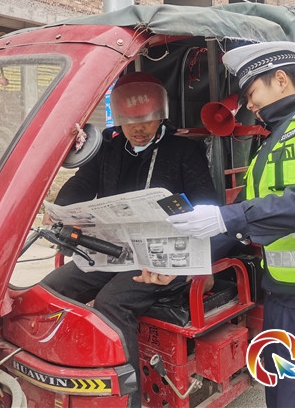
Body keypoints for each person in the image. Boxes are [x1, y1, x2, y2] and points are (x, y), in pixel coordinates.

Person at [166, 41, 295, 408]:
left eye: (251, 93)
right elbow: (242, 215)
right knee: (279, 395)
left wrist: (226, 216)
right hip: (283, 294)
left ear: (280, 80)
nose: (248, 105)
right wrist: (181, 262)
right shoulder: (270, 142)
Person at [40, 71, 218, 408]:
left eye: (147, 120)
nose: (139, 129)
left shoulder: (183, 150)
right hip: (112, 251)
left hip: (161, 258)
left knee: (112, 303)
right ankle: (62, 374)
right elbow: (82, 183)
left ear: (160, 115)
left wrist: (196, 251)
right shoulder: (108, 148)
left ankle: (127, 400)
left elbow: (208, 205)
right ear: (118, 119)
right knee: (50, 290)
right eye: (130, 122)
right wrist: (61, 209)